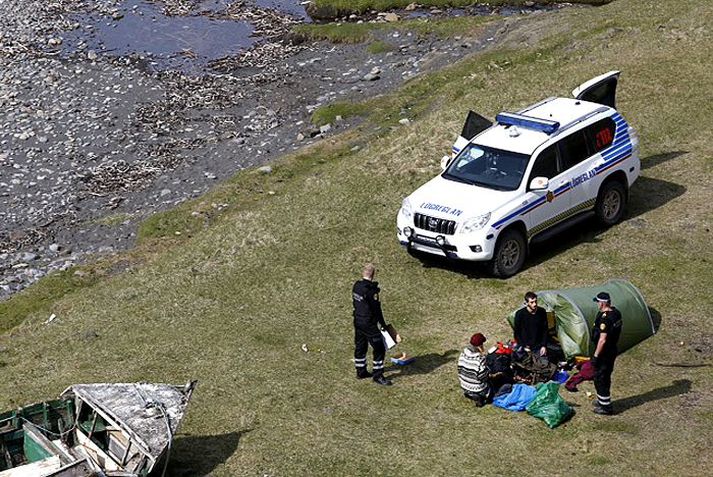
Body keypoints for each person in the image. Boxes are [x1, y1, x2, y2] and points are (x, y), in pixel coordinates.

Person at [352, 263, 392, 386]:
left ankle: (361, 371)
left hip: (358, 321)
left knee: (361, 345)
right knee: (379, 348)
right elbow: (376, 309)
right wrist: (383, 324)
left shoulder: (356, 286)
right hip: (368, 323)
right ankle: (378, 375)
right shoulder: (371, 291)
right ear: (373, 275)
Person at [591, 291, 623, 415]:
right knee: (604, 376)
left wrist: (596, 355)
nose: (597, 304)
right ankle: (602, 400)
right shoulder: (616, 313)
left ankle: (606, 407)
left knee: (601, 377)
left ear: (603, 303)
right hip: (612, 350)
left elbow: (602, 339)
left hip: (604, 353)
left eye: (598, 302)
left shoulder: (606, 319)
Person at [457, 333, 492, 407]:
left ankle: (470, 394)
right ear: (480, 346)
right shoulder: (479, 359)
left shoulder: (463, 353)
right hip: (477, 389)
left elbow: (459, 369)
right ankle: (480, 397)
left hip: (464, 385)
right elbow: (483, 377)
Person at [513, 291, 548, 357]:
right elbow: (517, 332)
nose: (534, 304)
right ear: (526, 303)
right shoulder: (520, 314)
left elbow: (545, 329)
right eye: (532, 302)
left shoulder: (542, 312)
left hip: (539, 345)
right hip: (526, 346)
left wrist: (543, 345)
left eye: (535, 301)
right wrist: (523, 346)